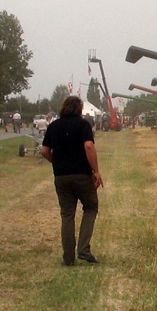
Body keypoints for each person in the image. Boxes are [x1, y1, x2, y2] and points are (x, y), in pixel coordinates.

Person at [40, 95, 103, 265]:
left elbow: (44, 151)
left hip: (61, 176)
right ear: (80, 109)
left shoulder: (53, 126)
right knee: (90, 207)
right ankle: (83, 249)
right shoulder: (83, 125)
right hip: (82, 174)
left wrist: (58, 162)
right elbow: (88, 146)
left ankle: (68, 257)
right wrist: (96, 171)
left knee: (67, 215)